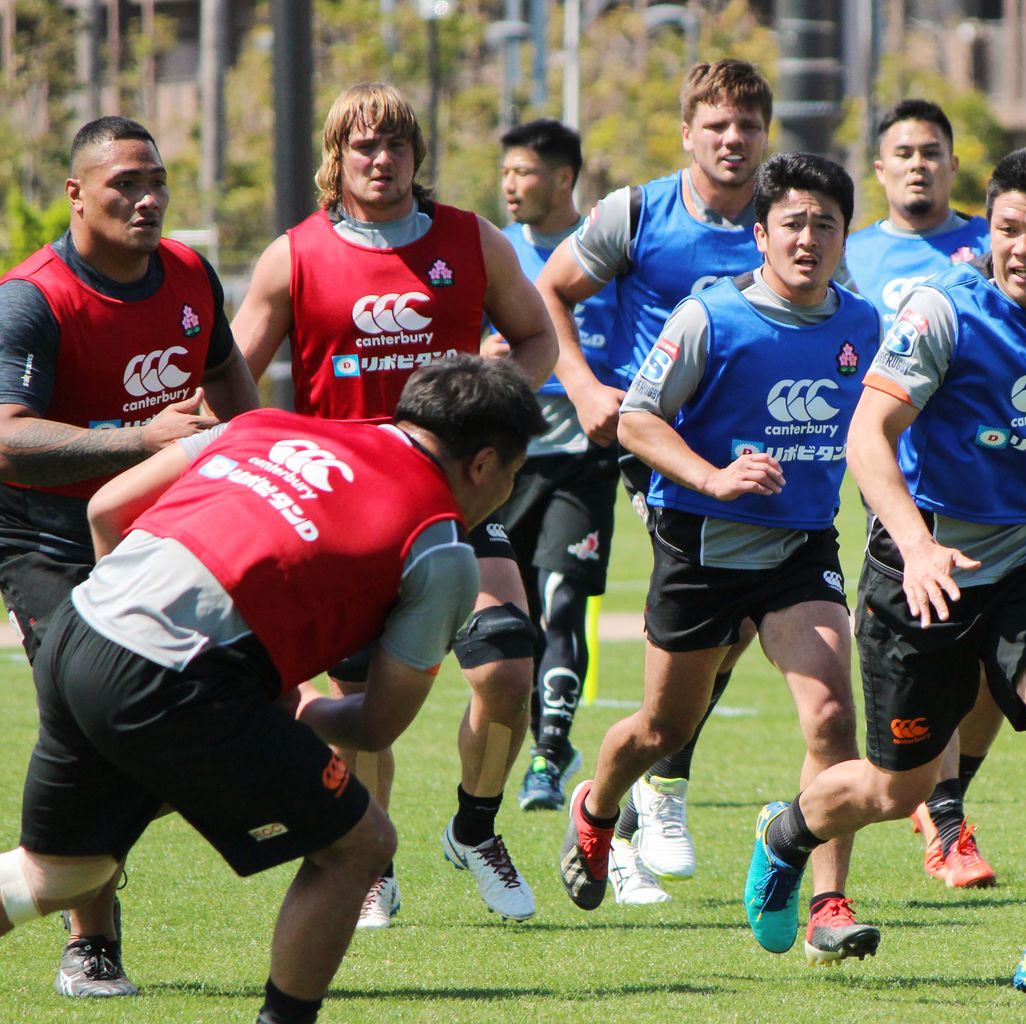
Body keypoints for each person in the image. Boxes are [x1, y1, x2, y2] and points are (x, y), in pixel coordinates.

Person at [0, 356, 548, 1024]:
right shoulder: (441, 549)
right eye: (514, 475)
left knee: (59, 874)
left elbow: (107, 509)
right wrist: (303, 705)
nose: (507, 492)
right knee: (360, 845)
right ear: (484, 463)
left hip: (79, 626)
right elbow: (376, 727)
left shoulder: (262, 424)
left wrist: (125, 628)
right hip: (171, 678)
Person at [743, 144, 1026, 995]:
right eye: (1007, 228)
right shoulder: (943, 314)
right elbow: (869, 436)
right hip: (920, 568)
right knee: (896, 789)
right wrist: (917, 545)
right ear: (988, 230)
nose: (1023, 248)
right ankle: (785, 834)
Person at [232, 82, 557, 926]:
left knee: (508, 666)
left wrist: (495, 405)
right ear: (335, 159)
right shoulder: (293, 256)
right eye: (364, 146)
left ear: (418, 155)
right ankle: (369, 855)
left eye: (397, 145)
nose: (382, 160)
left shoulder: (470, 240)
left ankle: (475, 828)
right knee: (363, 710)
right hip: (346, 517)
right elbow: (229, 377)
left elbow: (537, 336)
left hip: (454, 502)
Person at [558, 152, 884, 967]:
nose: (809, 239)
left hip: (800, 547)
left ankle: (825, 901)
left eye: (826, 224)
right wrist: (712, 476)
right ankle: (597, 808)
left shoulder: (863, 326)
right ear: (760, 235)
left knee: (833, 718)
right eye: (793, 224)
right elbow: (636, 419)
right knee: (664, 728)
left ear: (845, 237)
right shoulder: (711, 316)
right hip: (700, 547)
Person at [0, 115, 260, 996]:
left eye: (156, 181)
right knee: (90, 718)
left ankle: (71, 861)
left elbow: (228, 378)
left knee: (191, 722)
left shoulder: (189, 273)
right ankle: (92, 942)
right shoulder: (31, 299)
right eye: (124, 184)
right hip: (46, 537)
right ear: (76, 194)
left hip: (164, 529)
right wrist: (140, 440)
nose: (147, 199)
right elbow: (7, 440)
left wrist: (253, 456)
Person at [536, 58, 788, 901]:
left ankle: (649, 779)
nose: (732, 138)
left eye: (747, 125)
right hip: (661, 450)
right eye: (716, 125)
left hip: (760, 453)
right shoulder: (638, 212)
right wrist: (582, 385)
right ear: (687, 133)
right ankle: (660, 786)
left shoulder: (785, 218)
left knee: (734, 628)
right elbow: (550, 291)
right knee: (713, 610)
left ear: (765, 136)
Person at [845, 98, 1000, 890]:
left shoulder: (996, 241)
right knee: (941, 651)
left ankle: (946, 800)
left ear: (952, 164)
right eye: (902, 152)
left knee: (995, 670)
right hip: (906, 487)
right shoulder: (851, 253)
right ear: (880, 168)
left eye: (931, 151)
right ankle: (945, 820)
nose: (917, 163)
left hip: (994, 482)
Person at [490, 119, 619, 815]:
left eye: (524, 172)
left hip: (584, 459)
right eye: (506, 172)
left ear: (564, 178)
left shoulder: (606, 249)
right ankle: (526, 746)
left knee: (563, 600)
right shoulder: (493, 251)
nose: (510, 184)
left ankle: (548, 753)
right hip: (506, 461)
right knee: (517, 619)